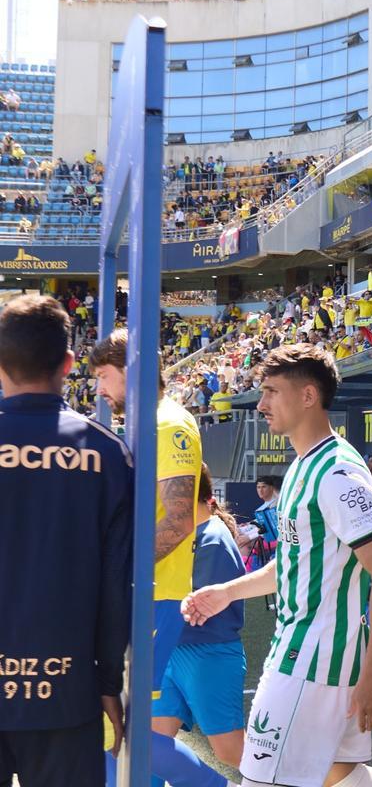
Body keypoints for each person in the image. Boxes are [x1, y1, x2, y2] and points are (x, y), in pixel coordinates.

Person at [182, 345, 372, 787]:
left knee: (260, 781)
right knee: (339, 777)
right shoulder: (303, 465)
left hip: (312, 659)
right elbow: (293, 562)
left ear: (307, 396)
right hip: (308, 651)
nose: (260, 404)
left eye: (270, 392)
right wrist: (227, 592)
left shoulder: (337, 472)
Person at [0, 295, 132, 787]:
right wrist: (105, 682)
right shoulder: (108, 452)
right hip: (67, 689)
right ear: (70, 363)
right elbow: (117, 585)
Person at [93, 329, 227, 787]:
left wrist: (108, 574)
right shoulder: (145, 419)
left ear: (130, 371)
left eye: (105, 376)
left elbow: (175, 521)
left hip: (150, 594)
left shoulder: (168, 422)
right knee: (125, 732)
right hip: (139, 593)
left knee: (124, 735)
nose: (100, 389)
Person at [154, 464, 247, 771]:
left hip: (208, 654)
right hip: (174, 649)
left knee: (231, 751)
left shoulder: (212, 539)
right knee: (150, 743)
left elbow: (193, 611)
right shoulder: (190, 534)